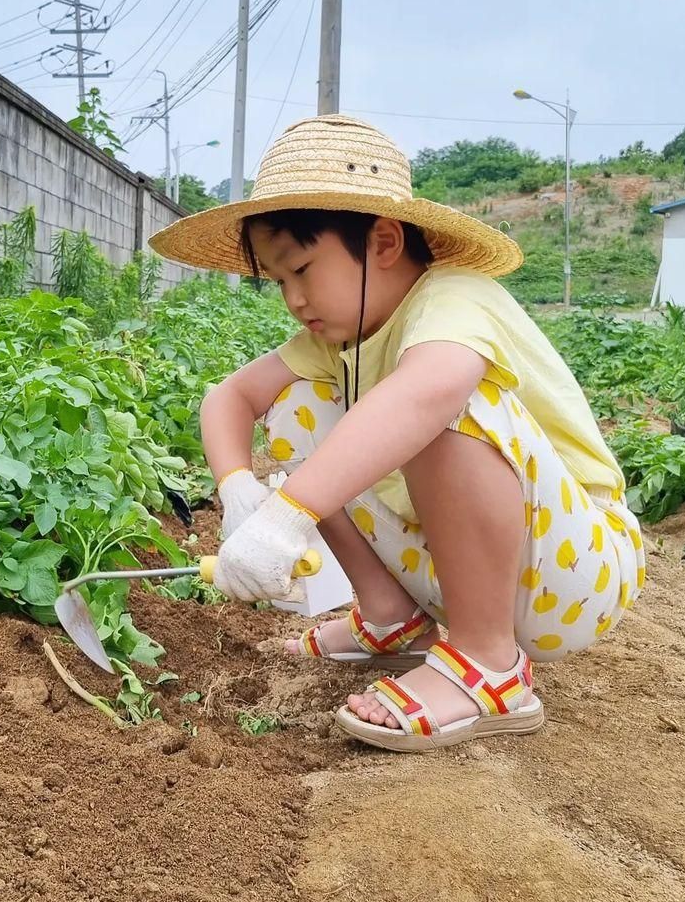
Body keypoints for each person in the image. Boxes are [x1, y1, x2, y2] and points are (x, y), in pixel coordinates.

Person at [148, 115, 644, 753]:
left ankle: (490, 664)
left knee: (438, 399)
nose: (294, 299)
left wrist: (288, 517)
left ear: (382, 242)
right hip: (461, 567)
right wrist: (241, 492)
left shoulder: (455, 299)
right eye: (280, 282)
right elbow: (230, 397)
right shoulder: (344, 338)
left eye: (301, 268)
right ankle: (390, 616)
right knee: (296, 404)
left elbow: (430, 393)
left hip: (575, 571)